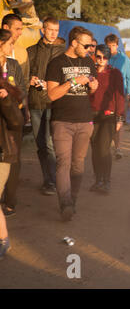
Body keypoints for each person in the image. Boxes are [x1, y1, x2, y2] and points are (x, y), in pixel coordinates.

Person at [45, 26, 98, 221]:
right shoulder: (56, 63)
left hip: (85, 121)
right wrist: (73, 81)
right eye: (86, 45)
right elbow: (51, 94)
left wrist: (93, 86)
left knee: (78, 165)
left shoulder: (89, 62)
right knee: (63, 164)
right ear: (74, 43)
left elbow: (91, 90)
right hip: (62, 121)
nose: (89, 49)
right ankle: (65, 204)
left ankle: (73, 199)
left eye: (91, 46)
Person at [27, 16, 65, 196]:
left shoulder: (62, 52)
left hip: (54, 103)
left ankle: (53, 181)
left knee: (50, 143)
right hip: (35, 101)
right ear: (43, 30)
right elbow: (22, 76)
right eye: (50, 30)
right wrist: (29, 80)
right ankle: (47, 179)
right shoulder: (31, 51)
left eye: (56, 30)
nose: (53, 33)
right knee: (40, 144)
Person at [89, 44, 124, 194]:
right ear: (94, 57)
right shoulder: (90, 73)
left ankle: (106, 181)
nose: (102, 60)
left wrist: (120, 117)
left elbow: (120, 96)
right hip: (91, 115)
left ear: (109, 58)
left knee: (104, 148)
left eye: (105, 57)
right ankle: (98, 180)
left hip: (108, 115)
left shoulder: (115, 73)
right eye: (98, 56)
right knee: (95, 149)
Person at [0, 28, 26, 217]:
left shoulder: (12, 65)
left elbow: (22, 91)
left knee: (12, 162)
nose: (12, 46)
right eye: (9, 43)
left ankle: (10, 201)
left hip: (10, 124)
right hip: (3, 126)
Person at [0, 54, 23, 259]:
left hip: (1, 152)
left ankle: (3, 240)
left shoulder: (5, 91)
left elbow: (17, 122)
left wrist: (6, 100)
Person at [104, 34, 130, 159]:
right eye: (109, 45)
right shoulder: (103, 58)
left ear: (117, 45)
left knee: (119, 122)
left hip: (120, 95)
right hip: (105, 96)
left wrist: (129, 93)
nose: (111, 48)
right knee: (106, 122)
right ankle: (106, 146)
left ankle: (118, 148)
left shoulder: (124, 59)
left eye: (113, 45)